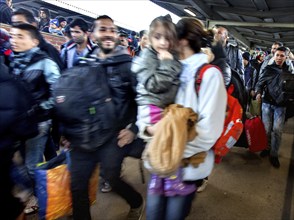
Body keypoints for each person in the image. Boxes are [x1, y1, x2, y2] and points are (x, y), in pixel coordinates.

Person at [142, 17, 227, 220]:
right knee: (153, 214)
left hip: (186, 167)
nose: (164, 42)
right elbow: (146, 108)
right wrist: (148, 131)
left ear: (182, 40)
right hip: (160, 161)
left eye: (169, 37)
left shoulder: (209, 75)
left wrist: (170, 149)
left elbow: (210, 131)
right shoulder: (166, 68)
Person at [62, 15, 145, 220]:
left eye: (112, 30)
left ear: (116, 35)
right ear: (94, 34)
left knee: (111, 178)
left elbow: (143, 100)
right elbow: (75, 99)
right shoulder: (84, 63)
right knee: (77, 184)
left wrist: (133, 129)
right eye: (103, 29)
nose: (108, 33)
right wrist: (66, 130)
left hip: (114, 136)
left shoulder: (129, 66)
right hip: (83, 134)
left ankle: (136, 201)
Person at [9, 23, 61, 214]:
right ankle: (42, 194)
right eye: (13, 36)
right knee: (19, 165)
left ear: (34, 41)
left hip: (38, 123)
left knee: (31, 168)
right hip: (19, 123)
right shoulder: (15, 61)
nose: (14, 40)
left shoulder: (45, 62)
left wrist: (38, 109)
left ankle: (48, 206)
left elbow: (58, 94)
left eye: (20, 36)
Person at [255, 46, 292, 168]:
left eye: (282, 55)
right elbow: (260, 83)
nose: (279, 58)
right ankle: (266, 148)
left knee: (277, 131)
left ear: (286, 57)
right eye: (277, 55)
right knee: (266, 129)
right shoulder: (268, 69)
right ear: (274, 56)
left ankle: (274, 154)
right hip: (267, 103)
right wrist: (258, 92)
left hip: (281, 105)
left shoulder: (290, 71)